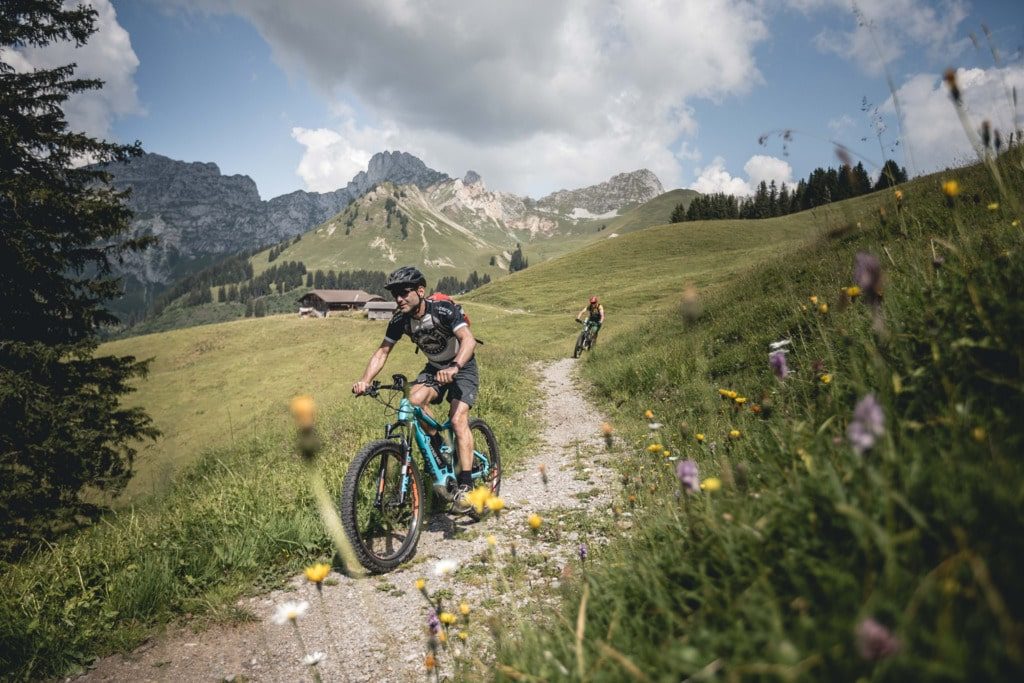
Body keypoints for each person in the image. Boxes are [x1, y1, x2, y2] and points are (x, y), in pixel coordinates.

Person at [352, 266, 479, 513]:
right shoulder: (400, 320)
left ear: (420, 291)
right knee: (412, 402)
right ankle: (440, 447)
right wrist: (365, 380)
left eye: (404, 293)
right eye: (395, 295)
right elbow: (382, 352)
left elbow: (468, 340)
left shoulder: (443, 310)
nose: (399, 299)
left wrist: (455, 366)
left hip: (462, 365)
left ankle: (467, 484)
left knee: (457, 419)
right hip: (434, 368)